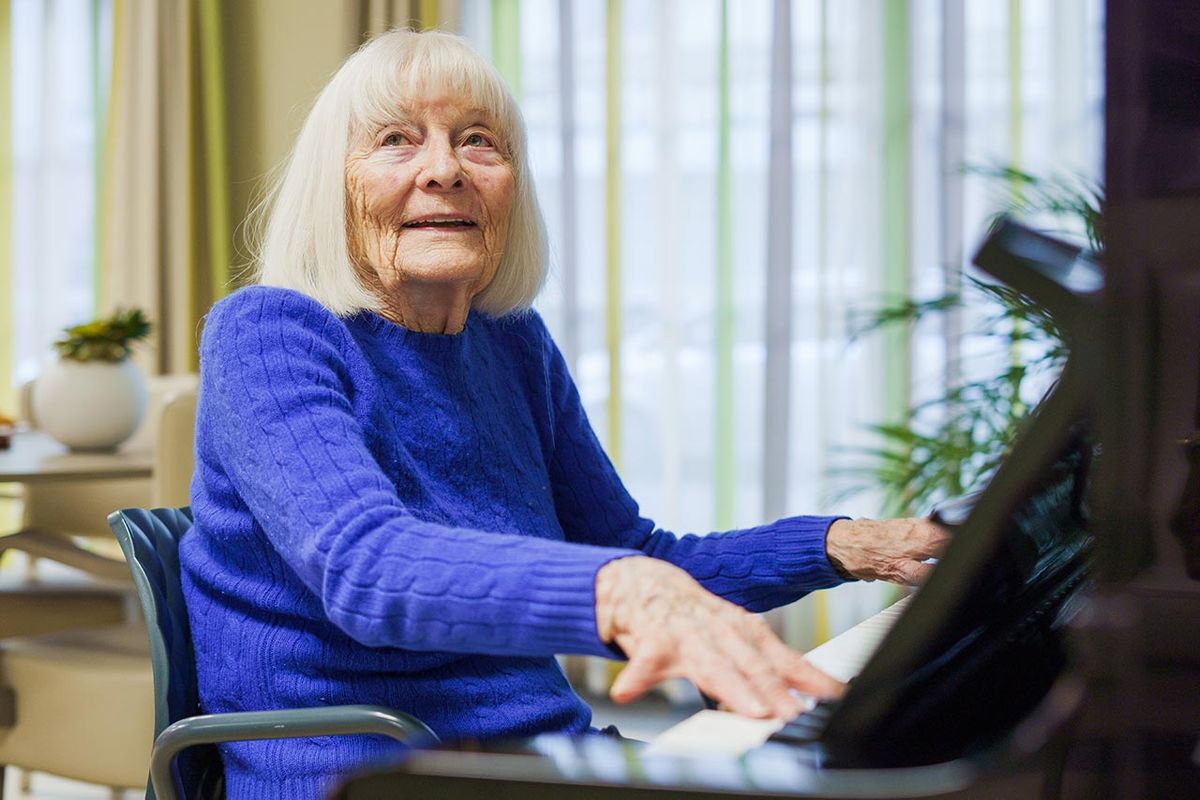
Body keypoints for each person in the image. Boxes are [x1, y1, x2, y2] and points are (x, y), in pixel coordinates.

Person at [181, 28, 948, 798]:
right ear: (332, 182)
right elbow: (366, 567)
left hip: (542, 761)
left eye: (478, 141)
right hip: (368, 774)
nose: (444, 169)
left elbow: (639, 554)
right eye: (395, 141)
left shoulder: (510, 345)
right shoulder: (270, 333)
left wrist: (841, 545)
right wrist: (622, 590)